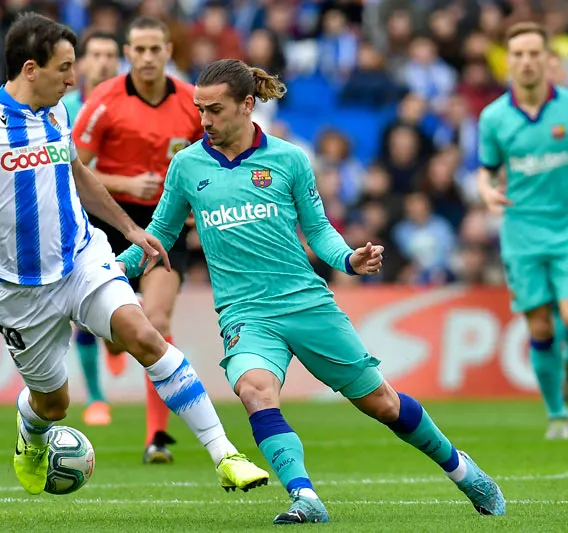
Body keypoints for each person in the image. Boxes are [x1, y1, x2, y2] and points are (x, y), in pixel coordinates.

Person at [0, 13, 269, 497]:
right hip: (19, 288)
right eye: (65, 68)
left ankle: (226, 456)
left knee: (146, 337)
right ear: (31, 69)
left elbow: (79, 174)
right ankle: (29, 436)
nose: (74, 79)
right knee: (53, 405)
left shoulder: (57, 112)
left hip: (82, 260)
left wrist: (131, 227)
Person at [117, 59, 505, 524]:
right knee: (255, 391)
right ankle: (305, 497)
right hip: (245, 313)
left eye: (215, 110)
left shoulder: (289, 159)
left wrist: (347, 259)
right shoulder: (186, 165)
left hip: (306, 303)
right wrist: (108, 270)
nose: (205, 121)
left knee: (381, 402)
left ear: (246, 105)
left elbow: (318, 229)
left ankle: (464, 471)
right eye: (200, 109)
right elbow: (159, 235)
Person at [71, 16, 203, 464]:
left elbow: (213, 160)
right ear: (128, 54)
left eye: (155, 49)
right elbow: (75, 169)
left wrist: (198, 208)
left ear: (168, 51)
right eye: (139, 50)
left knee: (158, 320)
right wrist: (127, 181)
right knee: (116, 330)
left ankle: (156, 437)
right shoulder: (104, 101)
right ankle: (110, 344)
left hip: (166, 225)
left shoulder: (191, 102)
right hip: (110, 221)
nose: (147, 58)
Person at [478, 22, 568, 440]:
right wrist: (487, 192)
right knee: (541, 328)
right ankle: (557, 414)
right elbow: (487, 171)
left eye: (535, 54)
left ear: (549, 59)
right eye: (519, 55)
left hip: (566, 230)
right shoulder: (494, 118)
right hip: (522, 234)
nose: (527, 62)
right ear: (508, 61)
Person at [61, 30, 120, 426]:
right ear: (83, 62)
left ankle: (115, 344)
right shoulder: (64, 107)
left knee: (120, 309)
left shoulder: (126, 108)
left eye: (109, 55)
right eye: (95, 54)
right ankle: (97, 398)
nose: (101, 62)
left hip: (120, 215)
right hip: (78, 217)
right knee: (81, 313)